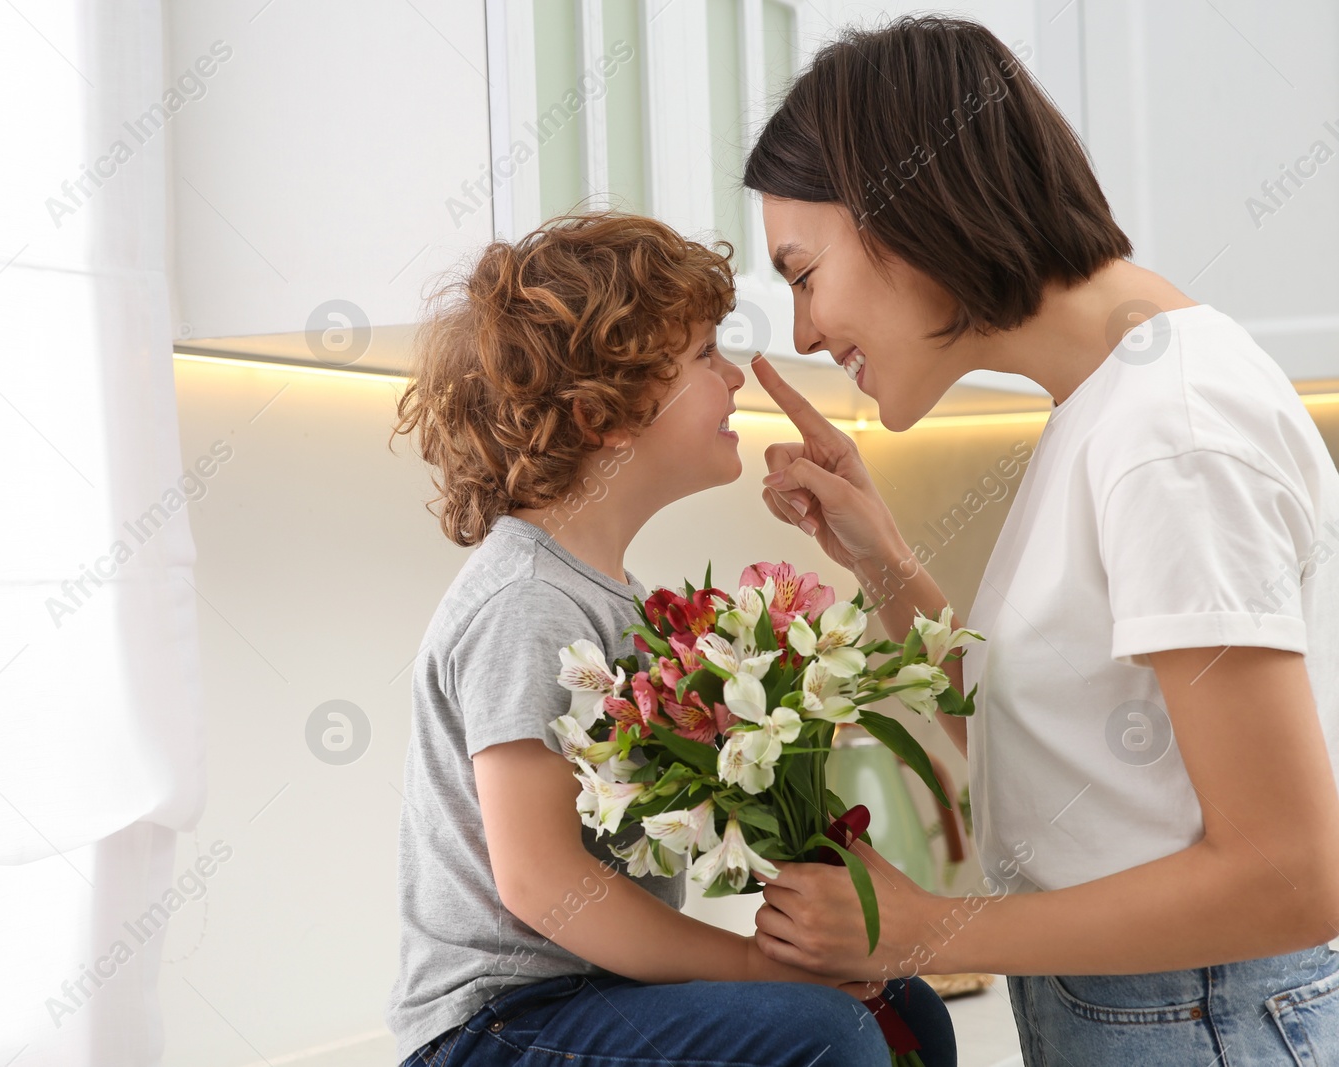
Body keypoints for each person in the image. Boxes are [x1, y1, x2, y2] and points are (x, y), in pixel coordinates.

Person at [738, 14, 1339, 1064]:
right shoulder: (1113, 401)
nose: (802, 330)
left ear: (907, 210)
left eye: (801, 271)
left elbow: (1292, 875)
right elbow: (1074, 760)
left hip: (1204, 1018)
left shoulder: (1169, 430)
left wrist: (929, 929)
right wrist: (884, 562)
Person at [384, 212, 957, 1067]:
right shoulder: (528, 601)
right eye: (702, 357)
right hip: (491, 1030)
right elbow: (541, 880)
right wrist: (755, 965)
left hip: (591, 1002)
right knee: (828, 1036)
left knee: (902, 1006)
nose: (734, 377)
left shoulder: (631, 608)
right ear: (601, 415)